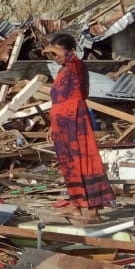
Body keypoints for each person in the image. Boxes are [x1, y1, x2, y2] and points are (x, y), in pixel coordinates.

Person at [42, 33, 114, 225]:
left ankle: (93, 210)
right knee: (69, 166)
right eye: (53, 54)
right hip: (61, 126)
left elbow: (69, 59)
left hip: (76, 123)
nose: (54, 57)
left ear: (71, 52)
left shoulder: (77, 67)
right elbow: (58, 101)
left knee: (84, 162)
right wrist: (52, 125)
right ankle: (76, 205)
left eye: (57, 53)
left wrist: (51, 47)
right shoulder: (61, 72)